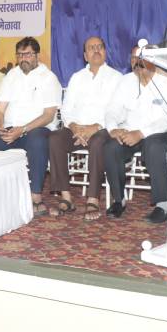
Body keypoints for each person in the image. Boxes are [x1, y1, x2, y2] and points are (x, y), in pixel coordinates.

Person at [0, 37, 62, 217]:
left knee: (37, 141)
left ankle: (35, 196)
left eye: (28, 54)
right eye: (20, 55)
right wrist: (0, 126)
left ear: (37, 55)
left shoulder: (48, 78)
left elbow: (48, 115)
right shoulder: (11, 76)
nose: (24, 58)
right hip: (10, 130)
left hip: (36, 129)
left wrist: (22, 129)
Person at [47, 36, 122, 220]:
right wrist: (74, 127)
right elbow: (66, 109)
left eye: (99, 47)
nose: (96, 50)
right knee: (54, 139)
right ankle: (66, 197)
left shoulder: (117, 78)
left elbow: (117, 111)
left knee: (97, 142)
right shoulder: (77, 77)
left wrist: (94, 127)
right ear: (85, 55)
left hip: (103, 129)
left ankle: (93, 198)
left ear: (105, 52)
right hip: (77, 129)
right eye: (91, 48)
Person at [104, 45, 167, 223]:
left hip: (161, 133)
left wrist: (141, 133)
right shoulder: (125, 81)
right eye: (133, 58)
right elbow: (112, 110)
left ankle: (164, 205)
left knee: (154, 146)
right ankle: (119, 200)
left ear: (154, 59)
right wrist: (113, 128)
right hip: (130, 132)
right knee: (111, 147)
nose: (136, 62)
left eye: (141, 57)